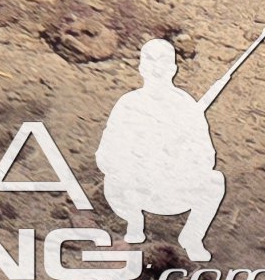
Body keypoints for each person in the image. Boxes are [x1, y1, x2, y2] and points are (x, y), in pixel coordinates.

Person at [95, 39, 229, 261]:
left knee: (215, 181)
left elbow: (207, 156)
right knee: (114, 178)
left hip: (172, 188)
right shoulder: (128, 104)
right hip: (134, 189)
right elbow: (105, 154)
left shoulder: (186, 105)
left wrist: (177, 159)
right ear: (140, 67)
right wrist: (137, 158)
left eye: (164, 61)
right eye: (150, 60)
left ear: (173, 68)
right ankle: (134, 222)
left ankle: (192, 238)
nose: (157, 68)